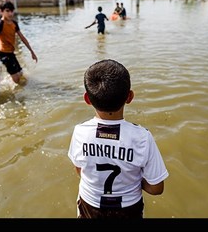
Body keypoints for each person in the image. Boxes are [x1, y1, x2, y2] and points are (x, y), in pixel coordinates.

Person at [68, 59, 169, 218]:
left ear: (87, 99)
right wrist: (135, 182)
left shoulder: (80, 132)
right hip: (128, 209)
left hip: (89, 205)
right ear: (130, 97)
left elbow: (79, 169)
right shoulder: (142, 137)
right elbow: (156, 188)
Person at [0, 0, 38, 84]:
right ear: (1, 11)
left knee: (20, 73)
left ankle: (8, 78)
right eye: (7, 11)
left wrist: (32, 51)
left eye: (12, 11)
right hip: (4, 54)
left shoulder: (14, 23)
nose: (10, 14)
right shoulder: (0, 25)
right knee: (16, 80)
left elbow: (22, 38)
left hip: (11, 53)